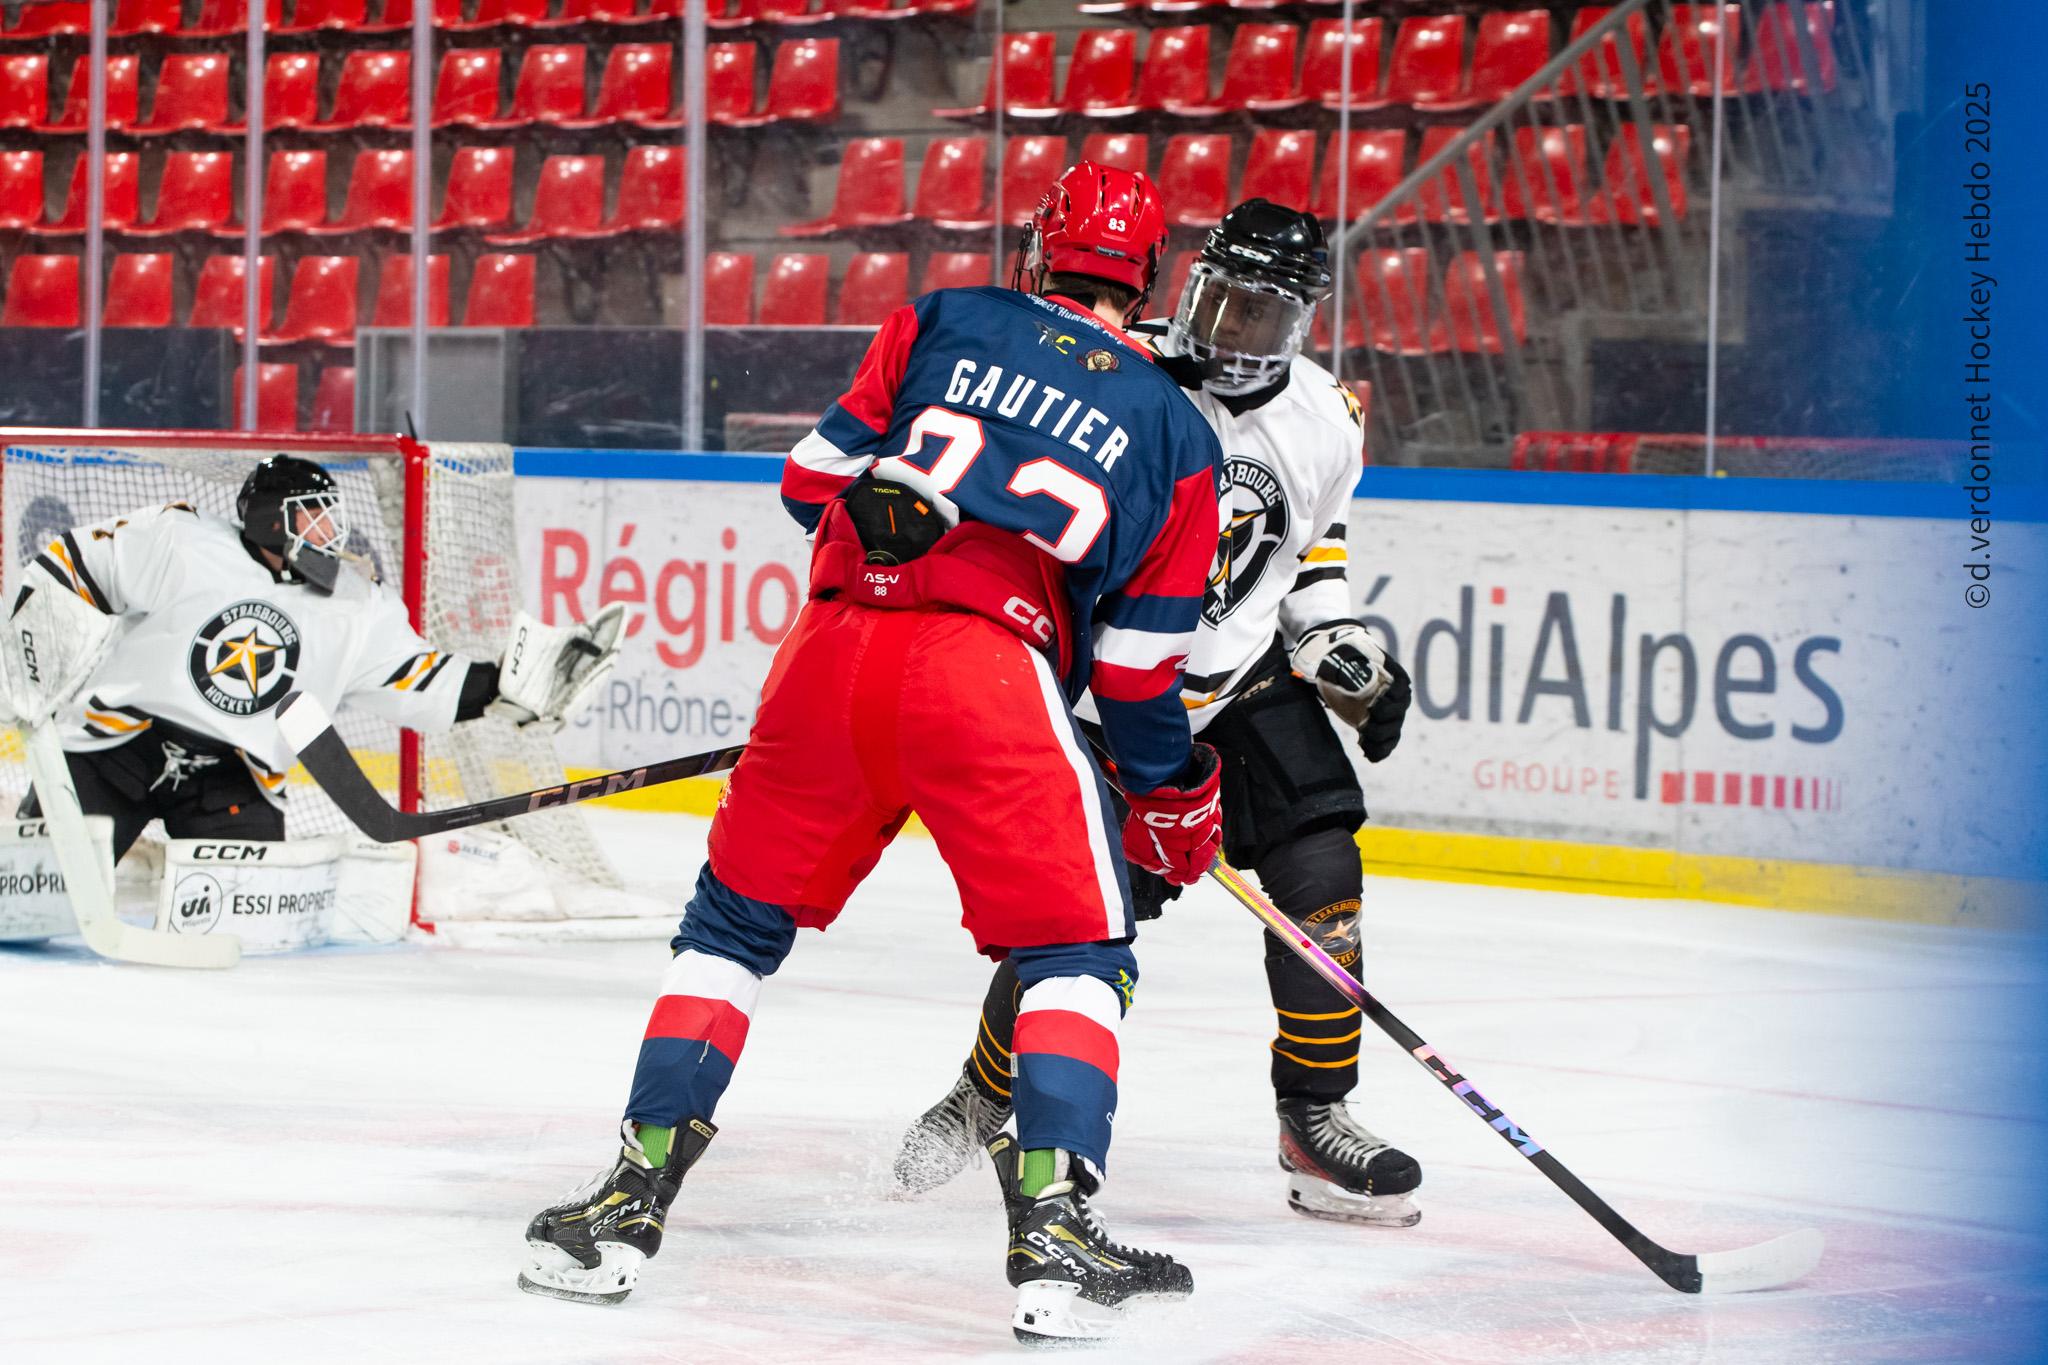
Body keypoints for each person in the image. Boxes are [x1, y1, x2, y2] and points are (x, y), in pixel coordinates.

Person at [517, 162, 1228, 1344]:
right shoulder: (1172, 427)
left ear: (1034, 249)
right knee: (1073, 956)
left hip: (828, 652)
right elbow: (1137, 674)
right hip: (992, 682)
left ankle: (622, 1209)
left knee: (731, 937)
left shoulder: (942, 317)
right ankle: (1050, 1238)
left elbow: (809, 485)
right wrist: (1171, 793)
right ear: (1148, 278)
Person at [894, 200, 1422, 1227]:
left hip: (1242, 680)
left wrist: (1335, 641)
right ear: (1185, 286)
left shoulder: (1325, 419)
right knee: (1083, 921)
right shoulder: (1110, 379)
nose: (1228, 337)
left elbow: (1306, 560)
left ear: (1303, 322)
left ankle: (1313, 1116)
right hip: (1114, 696)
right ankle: (986, 1088)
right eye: (1216, 304)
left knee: (1324, 878)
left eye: (1258, 318)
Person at [0, 455, 621, 860]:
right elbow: (75, 563)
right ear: (273, 519)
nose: (332, 533)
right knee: (26, 887)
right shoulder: (180, 540)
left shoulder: (358, 603)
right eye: (315, 516)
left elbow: (422, 680)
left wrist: (509, 686)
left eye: (331, 517)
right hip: (115, 749)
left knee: (250, 918)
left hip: (233, 780)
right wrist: (34, 652)